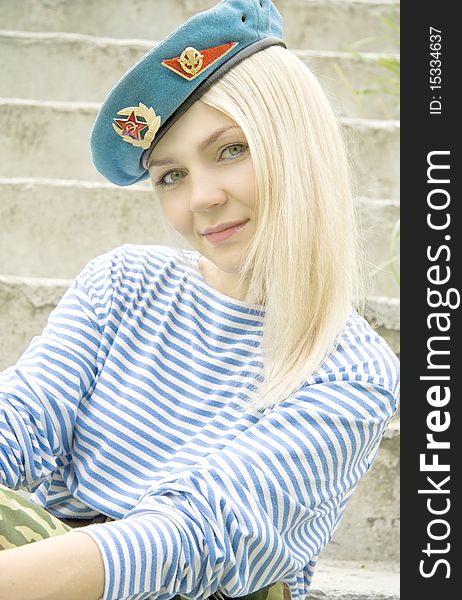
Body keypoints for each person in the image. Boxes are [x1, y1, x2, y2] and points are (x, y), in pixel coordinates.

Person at [0, 1, 399, 599]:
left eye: (231, 150)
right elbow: (21, 416)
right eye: (170, 176)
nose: (201, 198)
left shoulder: (353, 372)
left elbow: (197, 535)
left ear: (299, 149)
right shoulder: (121, 284)